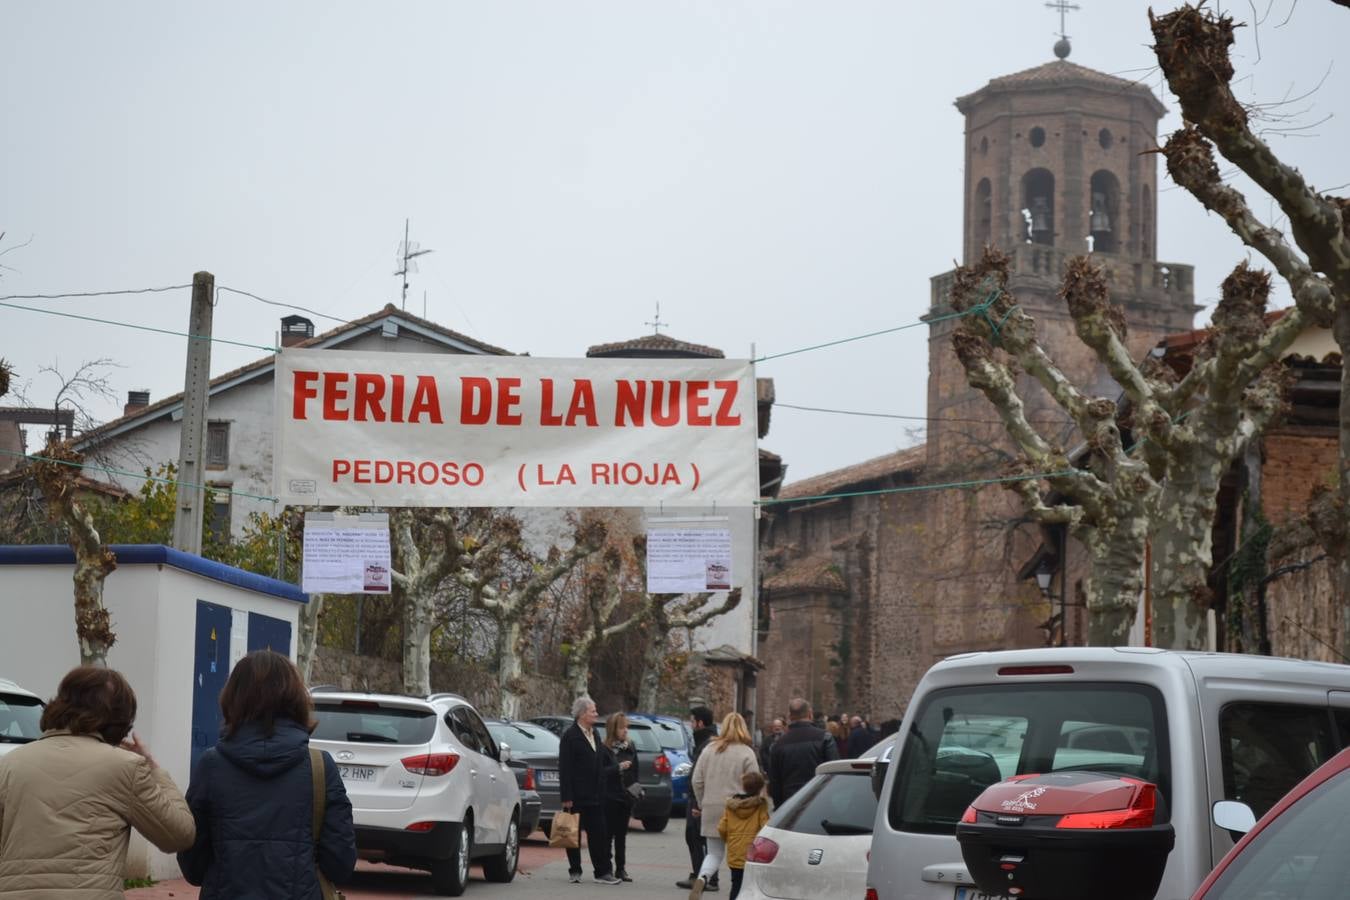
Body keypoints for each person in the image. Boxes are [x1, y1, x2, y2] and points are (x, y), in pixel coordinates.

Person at [0, 666, 196, 899]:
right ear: (120, 720)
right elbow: (179, 835)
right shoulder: (127, 767)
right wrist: (152, 766)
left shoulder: (9, 764)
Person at [178, 650, 355, 898]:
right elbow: (341, 862)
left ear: (233, 698)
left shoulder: (211, 765)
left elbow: (193, 866)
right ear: (295, 699)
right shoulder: (319, 767)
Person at [689, 712, 760, 900]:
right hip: (738, 811)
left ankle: (703, 878)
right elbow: (754, 783)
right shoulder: (747, 753)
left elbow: (696, 780)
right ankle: (737, 892)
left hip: (712, 807)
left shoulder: (709, 749)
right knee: (738, 857)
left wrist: (702, 801)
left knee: (713, 853)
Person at [557, 695, 620, 886]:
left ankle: (602, 872)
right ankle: (575, 869)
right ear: (583, 714)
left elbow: (599, 764)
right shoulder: (570, 736)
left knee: (599, 834)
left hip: (596, 795)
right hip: (576, 796)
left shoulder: (596, 734)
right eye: (593, 711)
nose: (597, 713)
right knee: (572, 833)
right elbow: (565, 768)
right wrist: (566, 796)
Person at [768, 698, 839, 807]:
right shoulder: (825, 738)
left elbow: (775, 782)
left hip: (789, 803)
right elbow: (834, 772)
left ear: (790, 717)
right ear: (810, 714)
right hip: (819, 799)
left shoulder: (778, 745)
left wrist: (779, 808)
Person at [677, 706, 718, 892]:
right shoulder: (706, 741)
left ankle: (706, 877)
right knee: (695, 837)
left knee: (697, 837)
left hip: (701, 798)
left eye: (692, 721)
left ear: (700, 723)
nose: (691, 725)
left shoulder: (707, 743)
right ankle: (699, 874)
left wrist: (697, 801)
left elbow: (702, 775)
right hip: (700, 796)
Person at [717, 771, 770, 900]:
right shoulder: (760, 806)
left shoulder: (731, 806)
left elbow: (722, 828)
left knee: (736, 884)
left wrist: (729, 840)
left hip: (735, 852)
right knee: (752, 886)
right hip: (753, 854)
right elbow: (765, 827)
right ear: (760, 788)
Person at [601, 712, 640, 883]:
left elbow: (636, 772)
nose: (625, 731)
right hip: (609, 797)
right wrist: (618, 767)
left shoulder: (630, 747)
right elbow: (600, 773)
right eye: (622, 727)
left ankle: (621, 869)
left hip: (626, 797)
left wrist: (637, 791)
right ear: (613, 729)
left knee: (621, 835)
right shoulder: (604, 749)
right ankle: (607, 868)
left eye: (627, 727)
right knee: (608, 835)